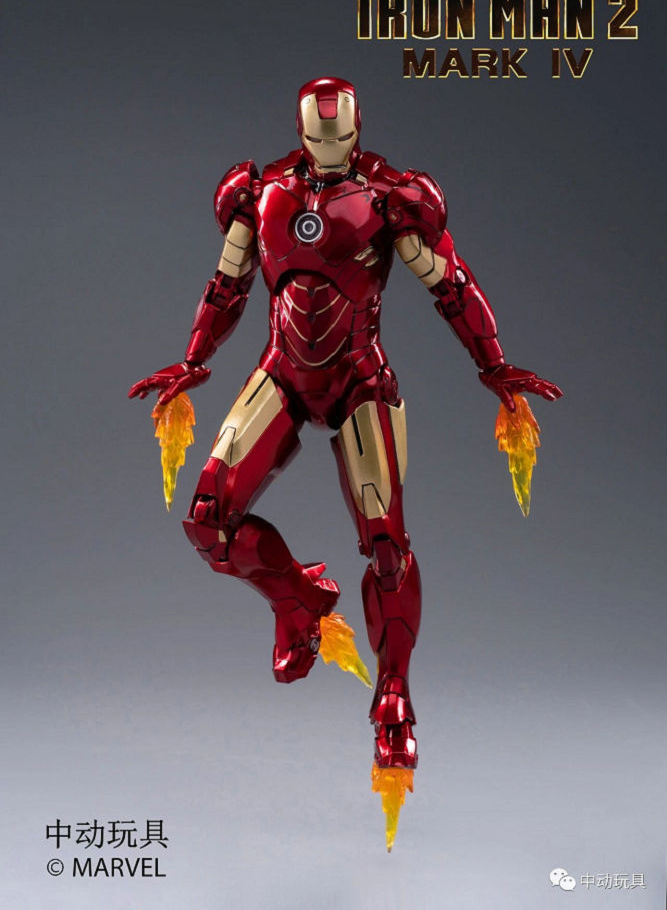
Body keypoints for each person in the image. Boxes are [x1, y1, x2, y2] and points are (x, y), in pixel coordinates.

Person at [129, 76, 562, 770]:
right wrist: (193, 358)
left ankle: (394, 700)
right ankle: (299, 601)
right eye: (318, 136)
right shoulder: (262, 193)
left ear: (357, 131)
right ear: (301, 133)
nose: (329, 147)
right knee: (209, 520)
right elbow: (227, 284)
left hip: (359, 378)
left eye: (340, 135)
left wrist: (493, 364)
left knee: (387, 547)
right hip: (281, 373)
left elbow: (449, 284)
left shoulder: (389, 198)